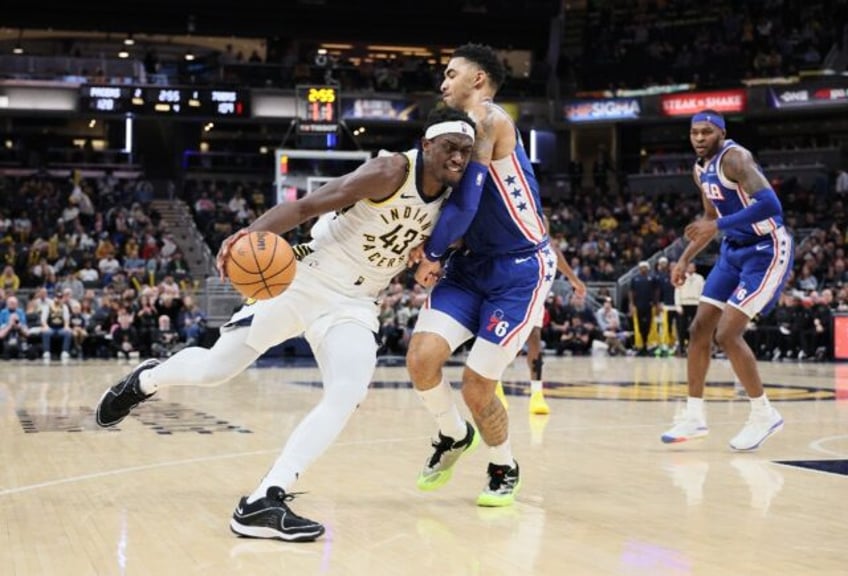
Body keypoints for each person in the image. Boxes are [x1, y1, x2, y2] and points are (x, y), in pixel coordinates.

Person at [94, 107, 476, 542]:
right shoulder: (391, 170)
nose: (458, 158)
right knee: (216, 370)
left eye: (466, 150)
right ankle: (147, 380)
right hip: (305, 279)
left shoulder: (456, 201)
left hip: (355, 303)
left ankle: (264, 499)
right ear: (427, 144)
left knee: (348, 392)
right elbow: (309, 205)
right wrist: (246, 235)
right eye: (450, 147)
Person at [406, 43, 553, 507]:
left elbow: (468, 204)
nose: (443, 82)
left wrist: (430, 253)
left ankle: (503, 465)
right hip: (471, 265)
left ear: (479, 81)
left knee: (476, 385)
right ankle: (453, 435)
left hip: (519, 269)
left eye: (451, 74)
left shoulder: (490, 121)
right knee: (421, 359)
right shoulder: (450, 135)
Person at [661, 109, 793, 451]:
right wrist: (685, 259)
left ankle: (764, 413)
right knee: (698, 329)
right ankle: (694, 415)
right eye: (694, 132)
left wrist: (717, 226)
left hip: (766, 250)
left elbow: (771, 205)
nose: (699, 138)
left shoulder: (736, 159)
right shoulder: (700, 169)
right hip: (733, 250)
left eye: (706, 132)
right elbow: (708, 218)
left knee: (727, 333)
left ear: (721, 133)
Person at [495, 216, 587, 415]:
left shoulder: (545, 237)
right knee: (503, 341)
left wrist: (575, 280)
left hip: (534, 291)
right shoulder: (511, 227)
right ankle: (496, 386)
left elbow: (557, 254)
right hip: (508, 289)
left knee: (534, 338)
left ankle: (537, 394)